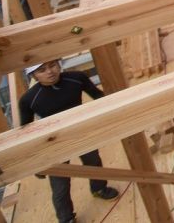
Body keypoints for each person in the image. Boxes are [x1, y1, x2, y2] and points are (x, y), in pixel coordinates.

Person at [19, 60, 119, 222]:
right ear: (34, 76)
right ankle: (66, 218)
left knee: (93, 162)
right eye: (42, 70)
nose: (49, 72)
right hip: (54, 143)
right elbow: (25, 132)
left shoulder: (76, 78)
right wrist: (36, 163)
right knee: (60, 185)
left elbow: (99, 97)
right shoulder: (29, 99)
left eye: (52, 65)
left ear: (59, 65)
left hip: (80, 133)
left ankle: (99, 188)